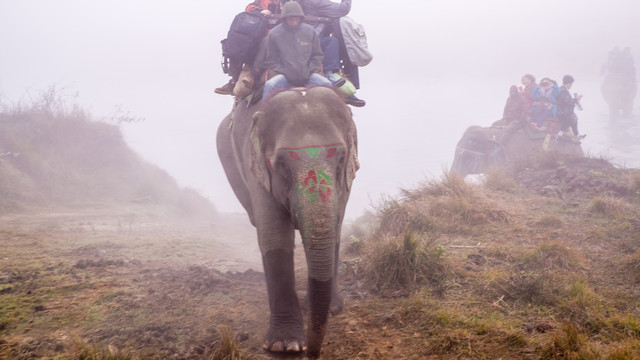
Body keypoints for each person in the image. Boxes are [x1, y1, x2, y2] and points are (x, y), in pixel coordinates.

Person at [261, 1, 333, 102]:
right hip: (285, 77)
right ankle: (264, 115)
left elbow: (317, 55)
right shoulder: (274, 34)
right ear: (285, 18)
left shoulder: (310, 31)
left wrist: (308, 70)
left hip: (308, 76)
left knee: (327, 85)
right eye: (291, 19)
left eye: (296, 19)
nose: (294, 21)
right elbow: (271, 59)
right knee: (269, 85)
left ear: (300, 18)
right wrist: (285, 72)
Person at [300, 0, 366, 107]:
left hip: (311, 40)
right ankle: (330, 74)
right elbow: (343, 9)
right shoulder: (315, 2)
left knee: (343, 45)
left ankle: (348, 86)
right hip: (311, 43)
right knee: (334, 42)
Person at [215, 0, 282, 95]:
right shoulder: (261, 1)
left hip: (279, 37)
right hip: (259, 34)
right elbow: (249, 8)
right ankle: (235, 79)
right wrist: (260, 10)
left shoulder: (288, 3)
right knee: (237, 45)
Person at [556, 75, 585, 140]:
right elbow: (568, 102)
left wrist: (574, 99)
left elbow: (566, 101)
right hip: (562, 111)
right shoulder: (563, 90)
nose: (571, 85)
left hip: (562, 110)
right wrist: (577, 98)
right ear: (569, 83)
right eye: (571, 84)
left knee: (574, 118)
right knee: (572, 118)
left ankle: (577, 135)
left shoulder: (561, 89)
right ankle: (560, 132)